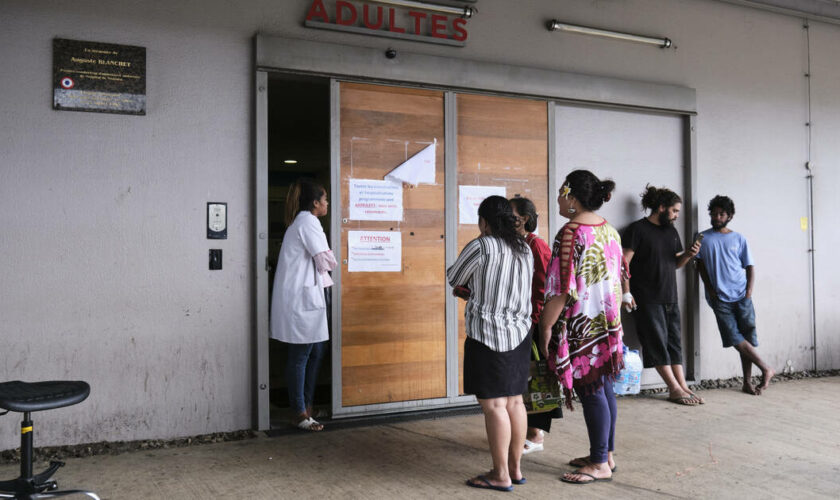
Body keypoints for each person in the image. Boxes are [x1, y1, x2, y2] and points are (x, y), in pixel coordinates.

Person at [538, 170, 625, 484]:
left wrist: (546, 326)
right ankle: (606, 455)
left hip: (582, 325)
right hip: (608, 322)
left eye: (562, 193)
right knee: (604, 388)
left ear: (571, 197)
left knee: (591, 391)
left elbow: (562, 287)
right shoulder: (609, 230)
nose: (559, 199)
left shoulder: (570, 233)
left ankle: (599, 462)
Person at [447, 196, 533, 492]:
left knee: (495, 405)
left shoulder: (481, 245)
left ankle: (499, 475)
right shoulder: (524, 247)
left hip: (487, 335)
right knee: (515, 402)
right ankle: (515, 469)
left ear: (484, 221)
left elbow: (454, 277)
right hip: (521, 334)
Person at [622, 185, 703, 406]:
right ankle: (674, 388)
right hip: (646, 298)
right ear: (661, 207)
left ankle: (683, 386)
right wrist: (626, 293)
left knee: (674, 344)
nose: (677, 215)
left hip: (670, 297)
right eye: (674, 211)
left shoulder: (671, 232)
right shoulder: (636, 229)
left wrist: (688, 254)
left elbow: (675, 263)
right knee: (656, 344)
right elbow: (623, 263)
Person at [270, 178, 336, 431]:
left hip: (307, 296)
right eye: (326, 199)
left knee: (316, 351)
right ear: (316, 203)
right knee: (301, 354)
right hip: (301, 299)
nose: (328, 204)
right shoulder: (309, 222)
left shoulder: (304, 222)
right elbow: (325, 261)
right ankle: (299, 411)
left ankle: (307, 405)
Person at [695, 195, 774, 395]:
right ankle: (766, 368)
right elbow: (700, 265)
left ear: (729, 216)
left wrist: (748, 292)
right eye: (714, 213)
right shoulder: (702, 237)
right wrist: (710, 289)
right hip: (719, 298)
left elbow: (749, 266)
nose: (716, 217)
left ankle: (747, 382)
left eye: (721, 214)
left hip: (741, 295)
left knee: (745, 338)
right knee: (734, 337)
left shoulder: (739, 238)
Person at [507, 197, 560, 456]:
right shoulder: (513, 244)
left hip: (533, 321)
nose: (507, 217)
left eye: (512, 213)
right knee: (523, 378)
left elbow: (545, 287)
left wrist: (538, 324)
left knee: (537, 377)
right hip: (517, 320)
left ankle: (536, 434)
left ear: (525, 218)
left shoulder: (536, 245)